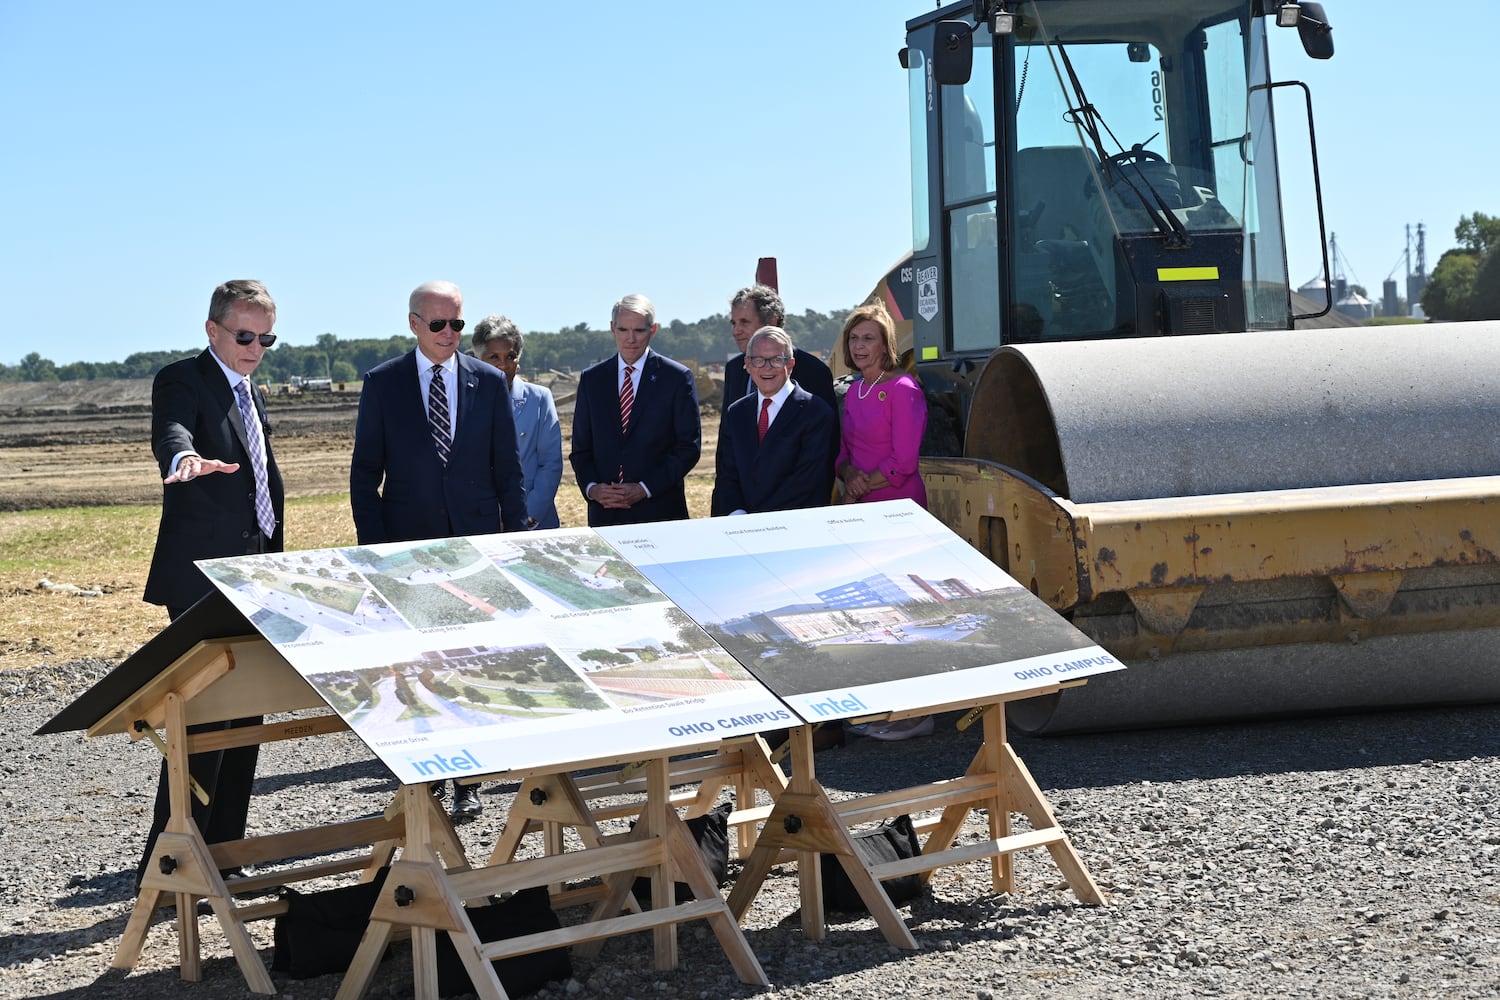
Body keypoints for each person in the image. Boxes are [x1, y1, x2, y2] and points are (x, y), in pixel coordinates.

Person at [350, 280, 532, 820]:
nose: (450, 335)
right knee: (417, 665)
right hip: (406, 549)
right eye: (439, 325)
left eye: (457, 325)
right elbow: (365, 474)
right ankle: (423, 774)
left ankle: (467, 779)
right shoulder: (383, 384)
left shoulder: (487, 381)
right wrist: (373, 552)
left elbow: (509, 469)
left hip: (474, 548)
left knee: (467, 663)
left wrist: (516, 538)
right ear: (414, 324)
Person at [138, 279, 284, 887]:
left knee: (245, 719)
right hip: (202, 578)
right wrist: (183, 459)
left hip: (255, 574)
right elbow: (171, 432)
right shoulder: (184, 379)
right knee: (201, 725)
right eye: (244, 335)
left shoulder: (252, 391)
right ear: (213, 330)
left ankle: (224, 855)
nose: (255, 347)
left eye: (265, 338)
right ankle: (169, 865)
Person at [834, 302, 933, 742]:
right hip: (861, 510)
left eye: (868, 338)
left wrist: (865, 483)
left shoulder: (903, 388)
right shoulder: (853, 390)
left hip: (896, 509)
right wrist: (848, 478)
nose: (860, 346)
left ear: (886, 343)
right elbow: (842, 452)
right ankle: (882, 706)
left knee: (904, 610)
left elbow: (905, 460)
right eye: (854, 338)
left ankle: (916, 714)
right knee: (873, 611)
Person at [569, 293, 701, 527]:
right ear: (612, 329)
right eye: (623, 330)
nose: (630, 339)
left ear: (654, 330)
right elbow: (581, 448)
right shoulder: (592, 380)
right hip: (605, 516)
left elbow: (688, 448)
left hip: (660, 513)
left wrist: (644, 488)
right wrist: (593, 489)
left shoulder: (676, 378)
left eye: (639, 331)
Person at [711, 326, 835, 516]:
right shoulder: (736, 413)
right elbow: (728, 475)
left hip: (795, 527)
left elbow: (807, 483)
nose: (767, 367)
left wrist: (761, 522)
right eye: (759, 360)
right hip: (741, 527)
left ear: (791, 364)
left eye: (777, 360)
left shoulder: (816, 413)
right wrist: (738, 515)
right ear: (748, 364)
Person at [472, 315, 563, 529]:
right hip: (479, 524)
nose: (503, 365)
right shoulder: (463, 401)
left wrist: (525, 518)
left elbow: (550, 464)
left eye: (510, 356)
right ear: (477, 359)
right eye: (494, 357)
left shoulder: (539, 399)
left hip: (533, 523)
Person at [721, 284, 836, 415]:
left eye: (744, 322)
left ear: (771, 322)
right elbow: (727, 431)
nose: (736, 331)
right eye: (733, 323)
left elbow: (826, 430)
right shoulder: (734, 369)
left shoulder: (814, 372)